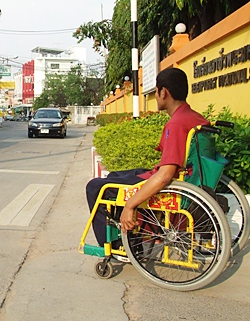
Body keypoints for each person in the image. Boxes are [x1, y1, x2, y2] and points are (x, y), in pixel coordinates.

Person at [86, 67, 210, 246]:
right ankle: (132, 238)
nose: (156, 96)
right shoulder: (196, 118)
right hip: (188, 179)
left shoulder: (176, 124)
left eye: (157, 91)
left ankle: (114, 246)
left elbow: (165, 175)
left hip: (170, 183)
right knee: (114, 176)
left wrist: (130, 205)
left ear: (164, 92)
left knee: (95, 187)